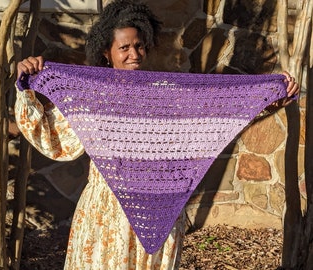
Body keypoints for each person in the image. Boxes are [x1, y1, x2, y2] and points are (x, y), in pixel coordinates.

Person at [15, 0, 300, 269]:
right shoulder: (92, 98)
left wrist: (270, 98)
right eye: (124, 47)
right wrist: (28, 84)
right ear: (107, 52)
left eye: (139, 45)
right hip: (107, 216)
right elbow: (55, 139)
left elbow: (219, 110)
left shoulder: (164, 95)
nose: (134, 54)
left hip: (161, 208)